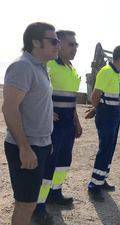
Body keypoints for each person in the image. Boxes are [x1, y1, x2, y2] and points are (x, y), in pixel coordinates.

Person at [2, 22, 59, 225]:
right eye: (53, 41)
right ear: (35, 42)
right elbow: (9, 108)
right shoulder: (22, 66)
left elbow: (34, 101)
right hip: (26, 146)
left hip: (40, 144)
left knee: (30, 203)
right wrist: (25, 148)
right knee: (25, 204)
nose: (57, 45)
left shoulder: (40, 67)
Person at [34, 30, 82, 223]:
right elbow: (36, 92)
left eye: (76, 45)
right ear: (58, 44)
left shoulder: (71, 68)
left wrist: (76, 121)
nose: (75, 48)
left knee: (63, 161)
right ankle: (38, 205)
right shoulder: (49, 66)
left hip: (68, 123)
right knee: (48, 163)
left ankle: (55, 193)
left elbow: (72, 99)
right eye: (71, 44)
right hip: (53, 125)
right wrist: (45, 113)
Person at [86, 45, 120, 201]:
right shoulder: (106, 71)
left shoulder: (117, 73)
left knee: (110, 148)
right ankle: (94, 186)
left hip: (114, 115)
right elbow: (95, 96)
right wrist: (97, 110)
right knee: (104, 149)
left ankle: (101, 179)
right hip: (106, 115)